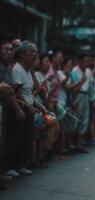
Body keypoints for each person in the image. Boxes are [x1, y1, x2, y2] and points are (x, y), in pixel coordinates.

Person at [4, 41, 45, 177]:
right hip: (20, 109)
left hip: (28, 108)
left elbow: (30, 93)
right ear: (22, 55)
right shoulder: (17, 69)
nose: (34, 55)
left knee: (26, 138)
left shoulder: (27, 70)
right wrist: (24, 109)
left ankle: (20, 164)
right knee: (15, 138)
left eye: (36, 52)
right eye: (31, 52)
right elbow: (17, 92)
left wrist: (40, 107)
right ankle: (11, 165)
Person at [0, 40, 25, 189]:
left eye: (12, 50)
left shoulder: (8, 68)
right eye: (6, 50)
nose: (10, 52)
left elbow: (9, 92)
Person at [71, 53, 91, 153]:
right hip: (78, 95)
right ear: (80, 61)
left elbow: (90, 85)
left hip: (86, 96)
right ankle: (73, 144)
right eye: (86, 60)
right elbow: (74, 89)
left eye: (88, 60)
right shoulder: (74, 71)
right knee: (76, 120)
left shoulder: (88, 71)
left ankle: (79, 144)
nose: (87, 62)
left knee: (84, 120)